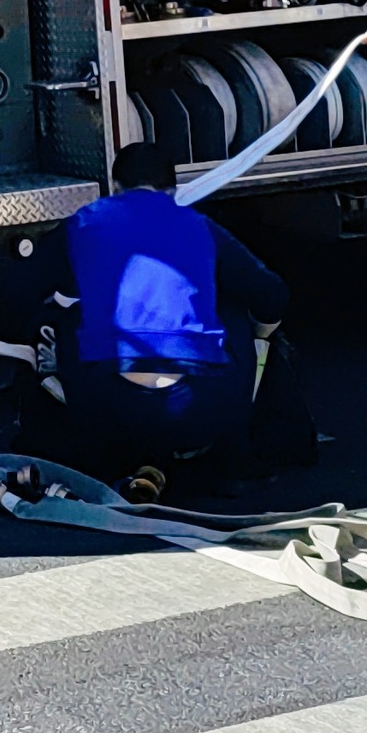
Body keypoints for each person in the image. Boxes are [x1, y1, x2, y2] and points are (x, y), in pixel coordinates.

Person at [62, 142, 290, 491]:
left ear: (115, 186)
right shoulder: (200, 226)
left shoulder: (83, 223)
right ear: (173, 190)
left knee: (65, 318)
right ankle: (235, 456)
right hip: (201, 409)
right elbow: (271, 292)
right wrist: (262, 334)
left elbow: (20, 291)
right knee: (230, 311)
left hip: (109, 412)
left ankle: (91, 453)